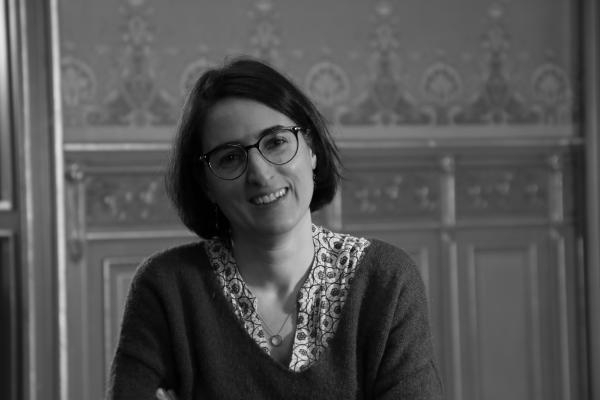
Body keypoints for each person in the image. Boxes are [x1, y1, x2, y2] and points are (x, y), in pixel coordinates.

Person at [107, 57, 443, 400]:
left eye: (276, 142)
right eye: (230, 158)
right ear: (206, 184)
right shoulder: (166, 287)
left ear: (311, 149)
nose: (260, 174)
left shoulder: (386, 280)